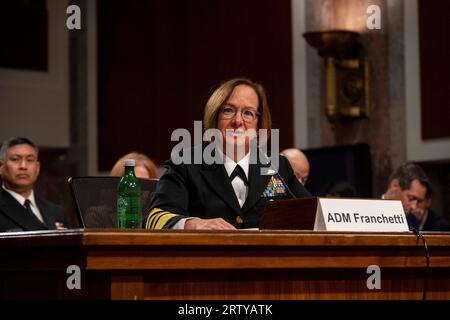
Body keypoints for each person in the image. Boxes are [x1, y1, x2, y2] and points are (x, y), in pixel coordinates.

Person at [145, 78, 311, 230]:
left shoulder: (277, 165)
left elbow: (313, 214)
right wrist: (194, 224)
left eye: (248, 113)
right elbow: (155, 218)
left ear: (258, 125)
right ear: (215, 116)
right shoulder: (186, 163)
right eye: (228, 110)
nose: (238, 121)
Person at [0, 137, 68, 232]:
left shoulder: (56, 212)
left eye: (29, 160)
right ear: (1, 167)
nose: (23, 166)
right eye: (15, 159)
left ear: (37, 168)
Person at [383, 162, 450, 231]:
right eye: (411, 198)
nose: (414, 207)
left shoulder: (413, 221)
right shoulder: (371, 211)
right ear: (395, 185)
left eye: (419, 200)